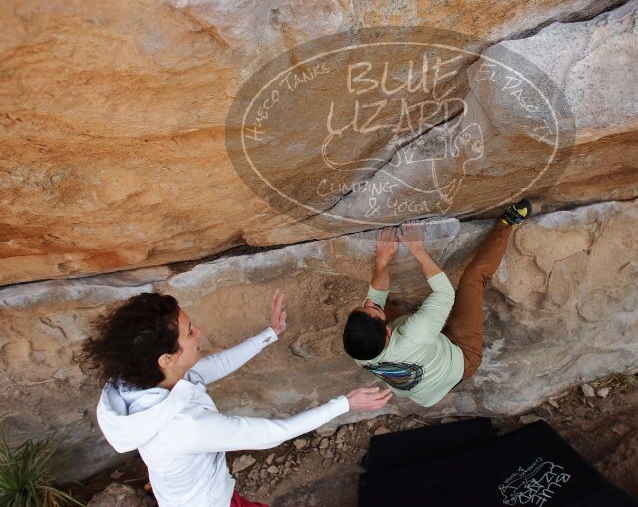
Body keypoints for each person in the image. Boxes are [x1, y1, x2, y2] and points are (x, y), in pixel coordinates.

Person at [81, 290, 391, 507]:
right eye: (189, 333)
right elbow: (273, 434)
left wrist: (270, 333)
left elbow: (209, 368)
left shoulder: (144, 382)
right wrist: (346, 403)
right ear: (166, 358)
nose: (199, 333)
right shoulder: (185, 427)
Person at [342, 199, 537, 407]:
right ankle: (507, 224)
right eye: (374, 310)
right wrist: (417, 249)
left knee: (385, 302)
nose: (371, 303)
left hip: (425, 379)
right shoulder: (416, 332)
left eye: (365, 307)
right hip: (462, 358)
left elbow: (375, 298)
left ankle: (422, 329)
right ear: (388, 331)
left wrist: (381, 262)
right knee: (474, 279)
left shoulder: (360, 352)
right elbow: (444, 293)